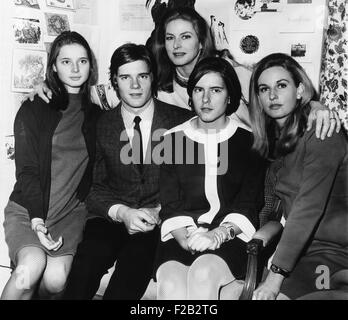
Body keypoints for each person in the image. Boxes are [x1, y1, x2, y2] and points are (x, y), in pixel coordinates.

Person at [29, 7, 339, 140]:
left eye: (186, 36)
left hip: (245, 163)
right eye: (170, 37)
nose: (177, 45)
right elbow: (94, 91)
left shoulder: (229, 72)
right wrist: (47, 86)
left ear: (201, 40)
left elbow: (278, 92)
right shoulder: (157, 82)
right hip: (193, 170)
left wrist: (316, 107)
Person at [62, 43, 192, 300]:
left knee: (130, 273)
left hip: (158, 221)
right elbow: (91, 186)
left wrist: (158, 211)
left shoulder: (181, 122)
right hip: (111, 217)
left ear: (152, 78)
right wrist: (123, 212)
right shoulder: (99, 124)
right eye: (125, 77)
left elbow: (190, 185)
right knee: (84, 267)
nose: (134, 86)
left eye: (142, 76)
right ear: (114, 82)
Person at [155, 57, 267, 299]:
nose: (205, 99)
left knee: (203, 272)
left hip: (231, 237)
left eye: (215, 90)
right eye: (198, 90)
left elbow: (249, 203)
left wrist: (218, 234)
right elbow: (170, 203)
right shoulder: (173, 140)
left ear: (229, 96)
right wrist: (188, 240)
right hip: (182, 236)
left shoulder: (250, 142)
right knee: (171, 285)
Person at [1, 31, 100, 300]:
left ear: (91, 65)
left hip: (69, 213)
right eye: (66, 61)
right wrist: (36, 222)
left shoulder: (98, 113)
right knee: (28, 270)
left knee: (56, 282)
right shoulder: (34, 107)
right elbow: (27, 171)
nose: (76, 68)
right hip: (28, 210)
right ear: (54, 66)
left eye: (82, 61)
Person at [248, 53, 348, 300]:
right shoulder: (277, 139)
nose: (272, 96)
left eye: (282, 85)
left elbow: (308, 207)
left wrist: (276, 274)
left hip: (335, 256)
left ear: (300, 90)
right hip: (302, 253)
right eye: (264, 89)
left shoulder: (323, 132)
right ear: (258, 99)